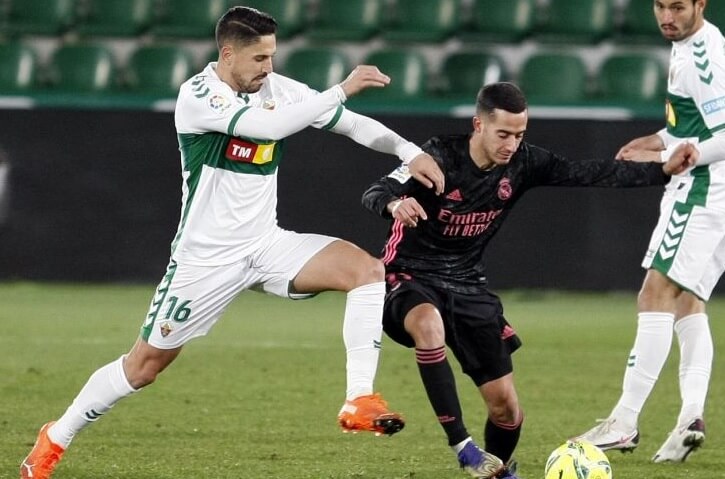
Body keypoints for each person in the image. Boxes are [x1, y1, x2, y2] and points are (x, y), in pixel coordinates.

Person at [19, 7, 447, 479]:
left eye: (272, 56)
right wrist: (340, 88)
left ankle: (359, 399)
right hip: (204, 261)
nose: (268, 67)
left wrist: (410, 151)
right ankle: (56, 436)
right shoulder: (199, 95)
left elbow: (351, 123)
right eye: (259, 57)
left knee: (366, 271)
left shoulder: (277, 89)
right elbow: (266, 128)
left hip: (266, 244)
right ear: (227, 54)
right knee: (142, 368)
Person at [361, 82, 696, 479]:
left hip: (467, 285)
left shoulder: (524, 162)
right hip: (409, 273)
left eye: (520, 135)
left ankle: (496, 472)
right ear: (478, 125)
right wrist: (395, 203)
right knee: (427, 325)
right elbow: (375, 190)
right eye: (503, 134)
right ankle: (464, 447)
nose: (511, 144)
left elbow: (588, 172)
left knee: (506, 409)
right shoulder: (437, 155)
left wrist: (660, 170)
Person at [575, 0, 725, 463]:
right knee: (687, 301)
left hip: (702, 189)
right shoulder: (691, 44)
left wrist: (680, 157)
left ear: (700, 4)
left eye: (678, 6)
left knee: (654, 293)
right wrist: (661, 138)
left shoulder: (704, 55)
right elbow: (696, 119)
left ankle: (623, 421)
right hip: (715, 188)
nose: (666, 15)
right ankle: (690, 419)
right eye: (660, 5)